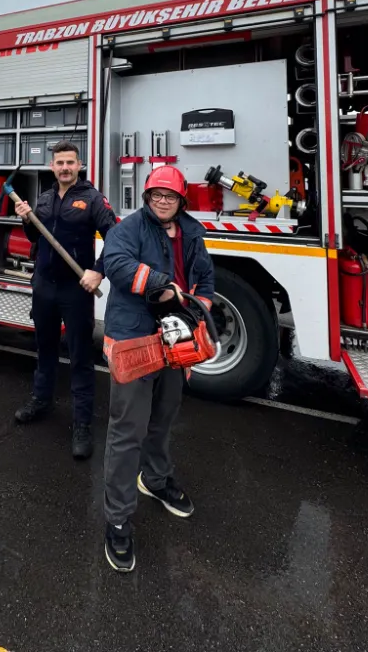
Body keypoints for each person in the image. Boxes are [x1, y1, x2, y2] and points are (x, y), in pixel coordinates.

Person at [100, 165, 215, 572]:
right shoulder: (128, 229)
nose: (163, 201)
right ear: (147, 198)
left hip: (175, 341)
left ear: (182, 200)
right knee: (127, 430)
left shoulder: (193, 232)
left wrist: (196, 311)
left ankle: (156, 479)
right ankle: (117, 519)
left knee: (163, 419)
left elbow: (204, 280)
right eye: (156, 196)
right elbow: (115, 263)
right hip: (135, 340)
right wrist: (162, 287)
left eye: (170, 196)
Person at [13, 140, 117, 459]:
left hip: (75, 290)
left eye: (70, 162)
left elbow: (115, 238)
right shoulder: (43, 200)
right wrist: (27, 219)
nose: (65, 168)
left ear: (79, 165)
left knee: (80, 356)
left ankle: (82, 423)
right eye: (59, 163)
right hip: (44, 286)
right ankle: (41, 401)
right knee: (44, 348)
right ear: (52, 167)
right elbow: (36, 239)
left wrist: (98, 271)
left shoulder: (92, 199)